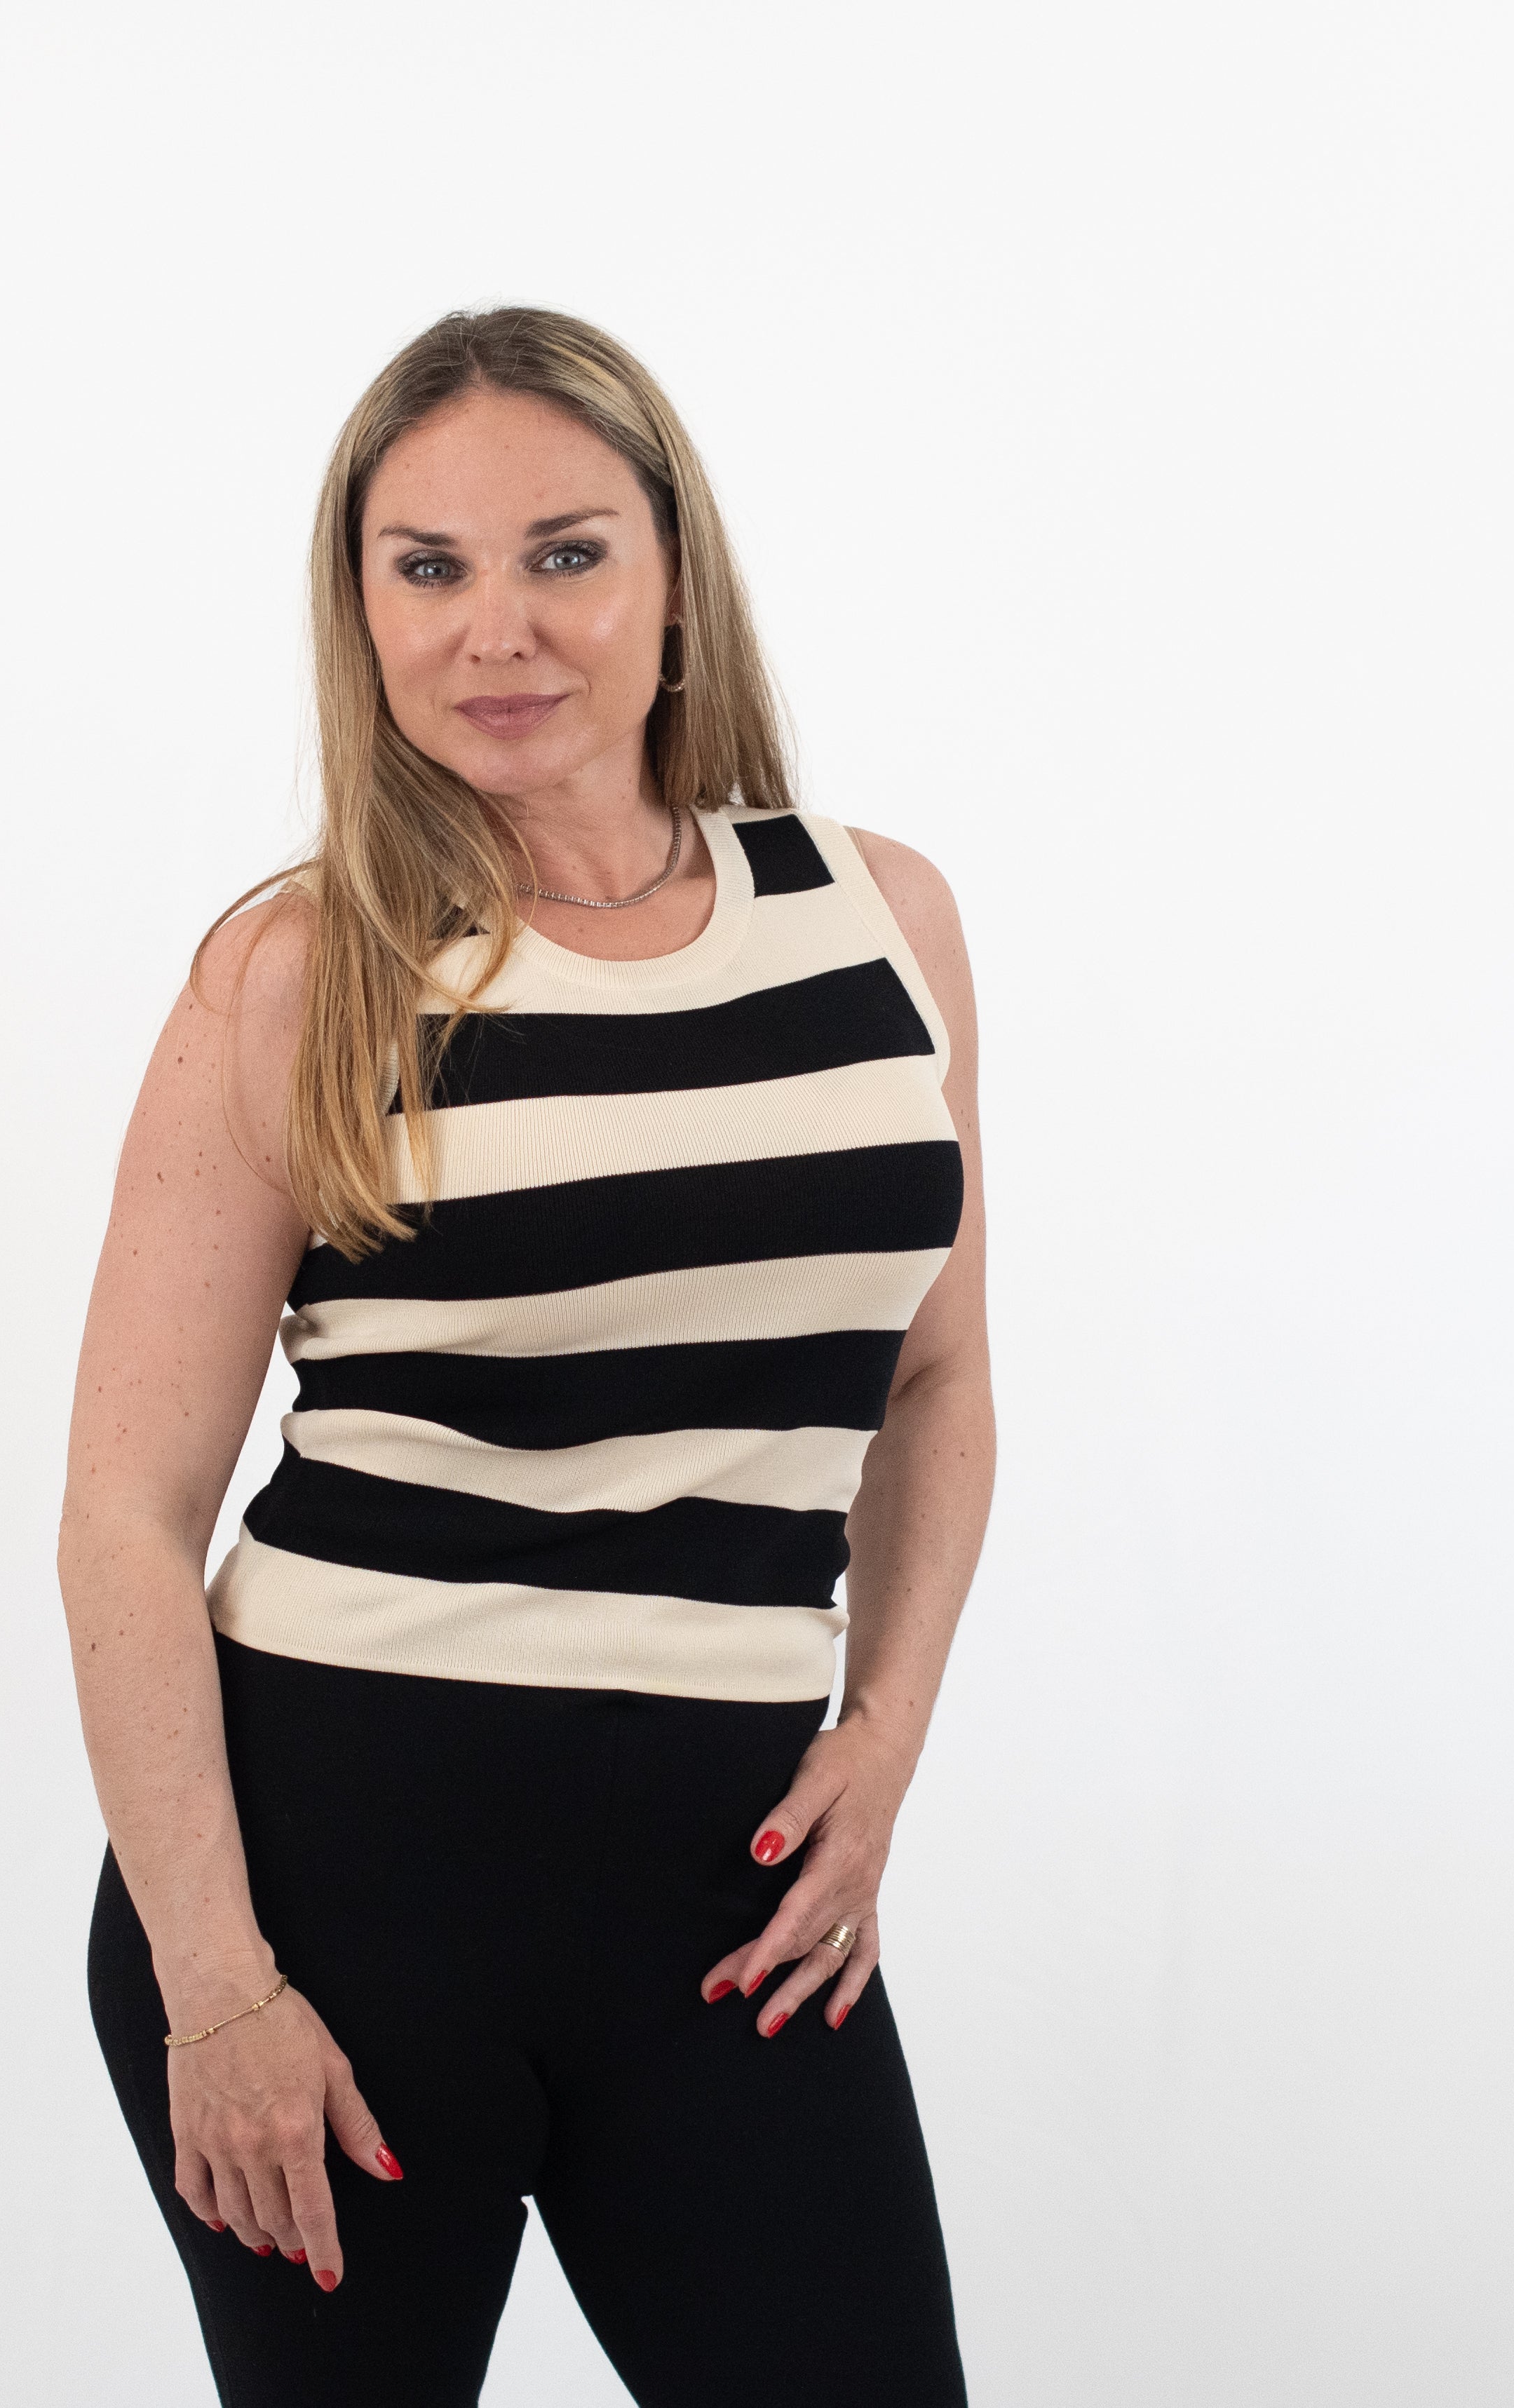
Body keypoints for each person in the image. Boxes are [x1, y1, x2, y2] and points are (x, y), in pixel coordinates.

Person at [58, 305, 993, 2407]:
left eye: (563, 553)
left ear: (673, 570)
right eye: (428, 566)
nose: (500, 626)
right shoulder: (303, 973)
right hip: (329, 1896)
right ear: (359, 606)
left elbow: (934, 1380)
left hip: (735, 1907)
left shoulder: (881, 922)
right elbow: (123, 1511)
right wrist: (218, 1990)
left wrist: (888, 1723)